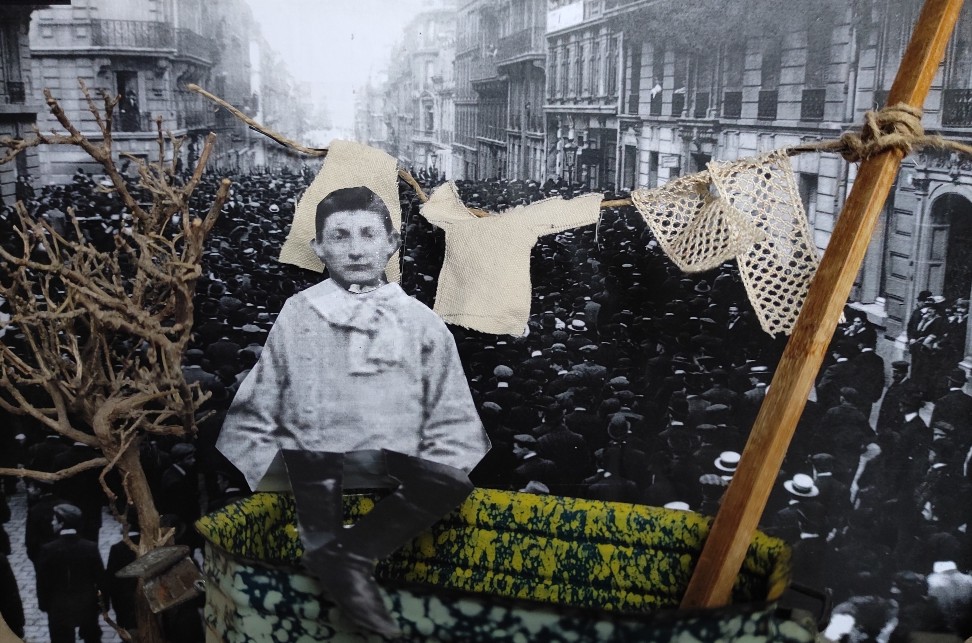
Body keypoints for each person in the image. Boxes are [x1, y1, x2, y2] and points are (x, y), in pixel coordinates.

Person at [217, 186, 490, 637]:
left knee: (448, 484)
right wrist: (285, 483)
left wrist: (403, 504)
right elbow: (251, 416)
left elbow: (457, 426)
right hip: (313, 478)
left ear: (392, 243)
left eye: (368, 234)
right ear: (319, 248)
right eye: (340, 236)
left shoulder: (422, 322)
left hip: (396, 488)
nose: (357, 250)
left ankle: (348, 556)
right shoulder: (298, 313)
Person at [35, 504, 105, 643]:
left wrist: (44, 604)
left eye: (55, 520)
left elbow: (43, 582)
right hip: (87, 605)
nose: (52, 522)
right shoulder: (90, 547)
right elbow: (100, 579)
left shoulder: (48, 549)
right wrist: (103, 605)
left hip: (59, 607)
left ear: (61, 524)